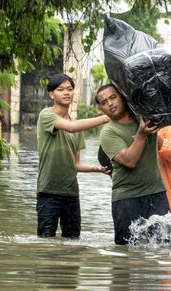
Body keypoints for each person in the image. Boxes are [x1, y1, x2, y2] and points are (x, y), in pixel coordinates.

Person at [36, 73, 111, 239]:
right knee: (45, 241)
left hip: (71, 193)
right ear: (51, 94)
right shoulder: (46, 115)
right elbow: (70, 127)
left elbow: (76, 164)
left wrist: (96, 169)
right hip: (48, 191)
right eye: (60, 89)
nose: (66, 93)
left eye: (69, 89)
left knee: (73, 241)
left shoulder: (76, 125)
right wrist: (106, 117)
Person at [94, 83, 170, 245]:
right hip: (127, 200)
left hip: (156, 195)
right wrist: (141, 134)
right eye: (104, 102)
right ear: (101, 109)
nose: (110, 104)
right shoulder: (108, 132)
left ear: (122, 97)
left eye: (113, 97)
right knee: (125, 256)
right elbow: (130, 161)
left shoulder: (144, 120)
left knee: (162, 250)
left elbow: (161, 144)